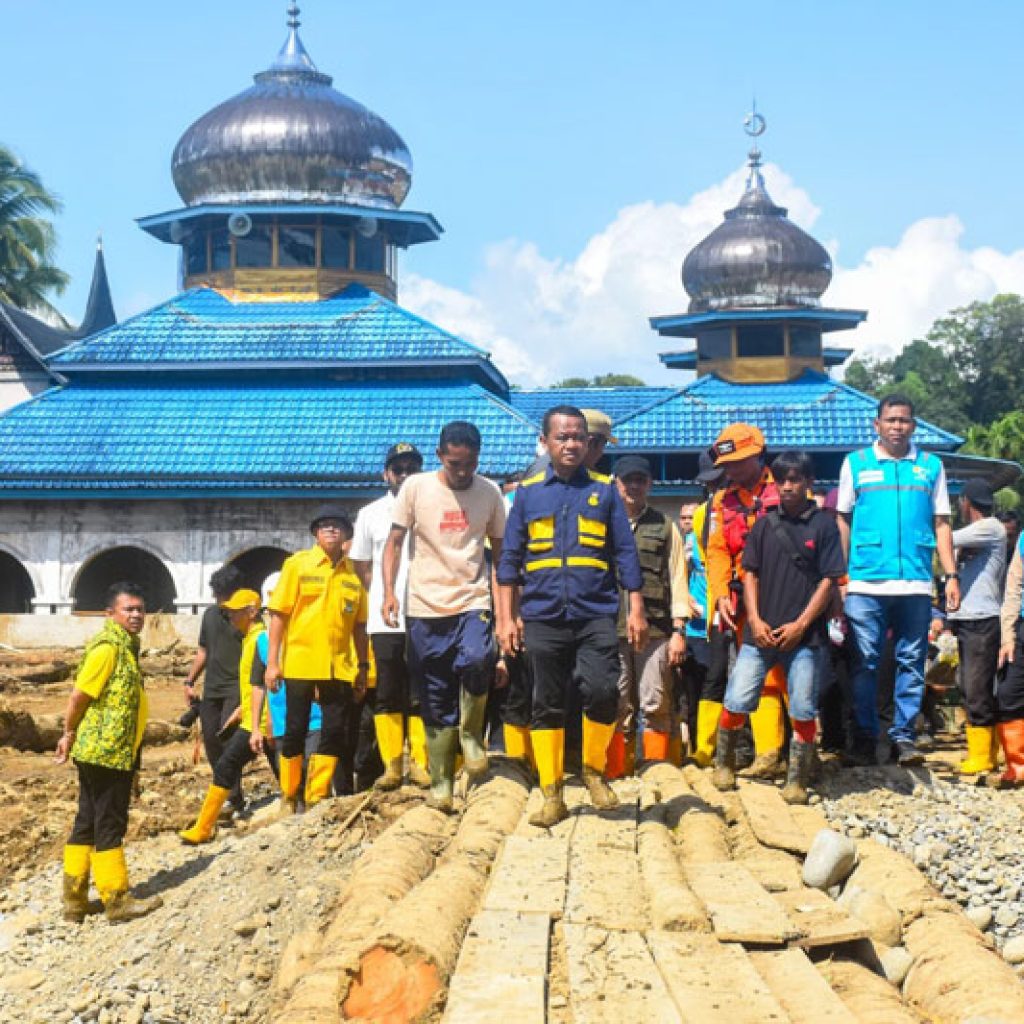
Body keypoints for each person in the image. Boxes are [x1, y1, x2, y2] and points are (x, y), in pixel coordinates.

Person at [496, 405, 647, 827]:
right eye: (562, 437)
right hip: (542, 616)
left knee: (602, 690)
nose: (572, 444)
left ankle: (594, 771)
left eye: (579, 437)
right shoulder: (527, 494)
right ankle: (552, 795)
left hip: (595, 614)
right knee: (546, 702)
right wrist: (506, 619)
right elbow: (509, 560)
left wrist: (636, 607)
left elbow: (625, 552)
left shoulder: (605, 491)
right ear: (545, 442)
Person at [383, 421, 506, 812]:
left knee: (478, 658)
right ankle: (441, 784)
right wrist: (389, 592)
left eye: (470, 464)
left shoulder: (490, 492)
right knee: (434, 693)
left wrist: (505, 611)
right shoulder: (415, 488)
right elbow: (394, 543)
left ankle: (472, 735)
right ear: (440, 456)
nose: (463, 472)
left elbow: (501, 553)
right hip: (424, 605)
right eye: (455, 464)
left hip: (472, 598)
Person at [712, 452, 845, 803]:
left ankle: (797, 780)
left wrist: (801, 625)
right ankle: (723, 764)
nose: (787, 487)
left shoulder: (824, 526)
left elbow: (829, 581)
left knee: (802, 708)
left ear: (809, 483)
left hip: (806, 638)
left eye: (795, 480)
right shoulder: (763, 526)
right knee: (737, 699)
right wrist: (755, 620)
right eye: (782, 480)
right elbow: (749, 574)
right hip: (760, 634)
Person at [836, 394, 960, 766]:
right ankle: (864, 737)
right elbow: (842, 519)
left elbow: (942, 523)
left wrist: (951, 575)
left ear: (913, 425)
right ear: (877, 425)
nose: (897, 426)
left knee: (911, 661)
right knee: (865, 663)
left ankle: (904, 738)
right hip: (865, 582)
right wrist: (840, 576)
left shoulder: (931, 466)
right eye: (890, 420)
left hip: (916, 583)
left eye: (904, 420)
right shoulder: (855, 463)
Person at [55, 582, 163, 923]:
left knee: (87, 819)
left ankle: (74, 901)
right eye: (128, 609)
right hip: (106, 752)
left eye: (140, 609)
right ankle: (116, 900)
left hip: (105, 750)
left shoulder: (126, 647)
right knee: (109, 820)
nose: (136, 615)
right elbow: (79, 696)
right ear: (110, 613)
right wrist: (67, 733)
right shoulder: (108, 649)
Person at [265, 506, 369, 814]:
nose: (331, 529)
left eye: (337, 525)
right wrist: (273, 662)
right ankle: (289, 795)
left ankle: (316, 795)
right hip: (301, 662)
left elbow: (360, 627)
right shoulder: (297, 565)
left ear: (346, 534)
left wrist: (362, 667)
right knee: (295, 729)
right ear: (315, 533)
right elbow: (279, 614)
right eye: (324, 525)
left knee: (334, 730)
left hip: (339, 667)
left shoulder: (353, 575)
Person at [705, 423, 789, 778]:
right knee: (761, 676)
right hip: (747, 601)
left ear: (758, 455)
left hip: (791, 595)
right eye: (728, 464)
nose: (733, 469)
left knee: (796, 676)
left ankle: (805, 757)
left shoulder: (787, 486)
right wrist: (720, 593)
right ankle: (768, 754)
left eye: (739, 461)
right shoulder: (722, 501)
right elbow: (717, 551)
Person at [350, 442, 430, 791]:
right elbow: (361, 564)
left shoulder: (432, 507)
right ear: (386, 474)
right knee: (387, 690)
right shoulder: (370, 514)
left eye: (412, 468)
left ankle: (422, 764)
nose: (405, 474)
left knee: (421, 689)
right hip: (387, 618)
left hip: (427, 611)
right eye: (399, 469)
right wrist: (383, 593)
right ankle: (393, 765)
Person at [606, 455, 689, 772]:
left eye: (640, 480)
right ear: (616, 484)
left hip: (656, 630)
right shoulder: (602, 524)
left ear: (650, 484)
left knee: (655, 702)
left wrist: (679, 631)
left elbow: (678, 578)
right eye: (628, 480)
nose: (634, 486)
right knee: (615, 701)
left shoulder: (665, 526)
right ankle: (616, 769)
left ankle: (655, 769)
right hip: (611, 629)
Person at [179, 589, 276, 843]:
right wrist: (242, 710)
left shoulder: (260, 640)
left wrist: (267, 723)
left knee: (227, 765)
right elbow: (253, 686)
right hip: (254, 720)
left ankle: (203, 828)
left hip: (262, 724)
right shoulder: (250, 639)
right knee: (234, 765)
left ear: (251, 612)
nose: (230, 617)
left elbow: (271, 684)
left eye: (235, 612)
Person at [947, 478, 1006, 774]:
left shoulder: (990, 527)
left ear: (966, 502)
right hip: (968, 618)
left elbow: (945, 538)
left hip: (982, 619)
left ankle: (983, 756)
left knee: (977, 687)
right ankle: (987, 751)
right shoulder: (978, 533)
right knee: (969, 685)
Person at [183, 564, 246, 814]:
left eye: (225, 595)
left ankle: (232, 796)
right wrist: (189, 681)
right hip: (212, 689)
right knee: (211, 741)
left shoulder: (246, 617)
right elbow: (203, 651)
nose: (221, 601)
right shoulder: (209, 616)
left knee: (228, 740)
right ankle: (226, 791)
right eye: (218, 595)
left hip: (236, 687)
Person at [996, 528, 1024, 787]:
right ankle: (1018, 766)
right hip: (1021, 629)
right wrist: (1008, 637)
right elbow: (1014, 587)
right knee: (1008, 693)